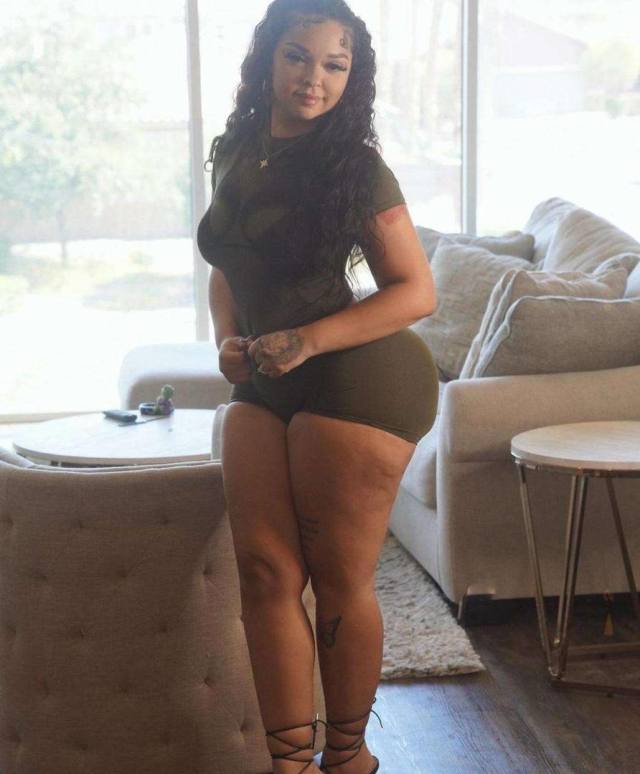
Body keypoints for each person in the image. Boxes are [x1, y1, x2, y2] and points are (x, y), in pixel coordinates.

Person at [197, 1, 438, 771]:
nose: (314, 78)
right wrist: (227, 341)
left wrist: (308, 339)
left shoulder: (355, 168)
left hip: (358, 377)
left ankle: (350, 759)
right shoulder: (235, 150)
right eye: (298, 57)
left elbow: (416, 290)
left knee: (338, 578)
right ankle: (290, 764)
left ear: (352, 77)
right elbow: (228, 265)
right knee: (266, 573)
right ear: (267, 59)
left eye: (336, 65)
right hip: (267, 380)